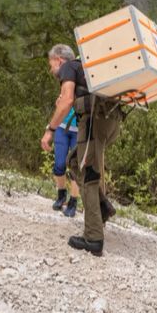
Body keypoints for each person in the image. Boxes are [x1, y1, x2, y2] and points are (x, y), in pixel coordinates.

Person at [41, 44, 121, 257]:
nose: (52, 71)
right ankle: (101, 208)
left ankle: (93, 238)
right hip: (109, 120)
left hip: (95, 119)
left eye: (51, 65)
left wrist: (50, 130)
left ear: (59, 60)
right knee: (76, 162)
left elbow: (66, 101)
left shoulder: (69, 67)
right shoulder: (85, 71)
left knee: (87, 174)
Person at [51, 107, 80, 217]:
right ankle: (61, 195)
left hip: (79, 130)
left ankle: (73, 202)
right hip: (61, 126)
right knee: (59, 165)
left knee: (75, 168)